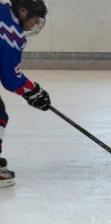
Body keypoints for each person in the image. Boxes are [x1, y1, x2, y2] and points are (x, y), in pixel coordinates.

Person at [0, 0, 51, 188]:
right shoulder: (11, 31)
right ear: (23, 11)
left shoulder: (2, 10)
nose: (36, 24)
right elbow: (11, 79)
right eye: (35, 19)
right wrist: (34, 92)